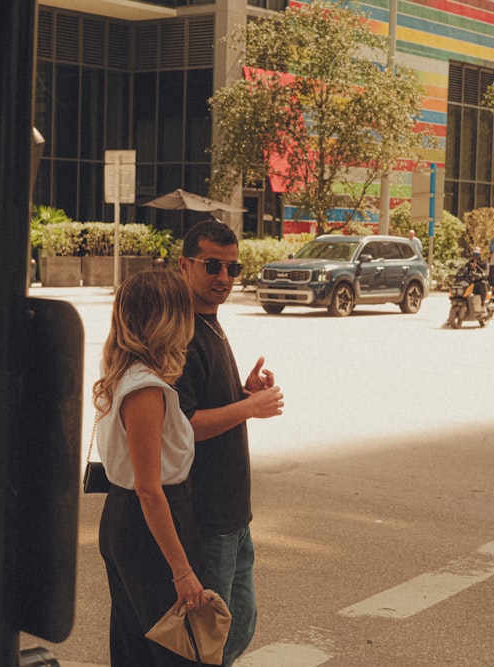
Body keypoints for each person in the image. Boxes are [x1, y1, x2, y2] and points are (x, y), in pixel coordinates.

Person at [176, 220, 284, 666]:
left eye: (233, 267)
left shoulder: (212, 325)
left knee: (239, 623)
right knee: (210, 637)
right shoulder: (180, 334)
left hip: (233, 512)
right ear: (185, 265)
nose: (224, 278)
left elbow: (208, 404)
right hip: (207, 514)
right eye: (213, 266)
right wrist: (247, 410)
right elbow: (180, 425)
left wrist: (243, 393)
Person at [95, 270, 211, 666]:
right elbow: (149, 488)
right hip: (151, 522)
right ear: (169, 320)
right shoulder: (145, 389)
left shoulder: (129, 375)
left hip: (127, 517)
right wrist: (181, 570)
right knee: (175, 650)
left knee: (137, 646)